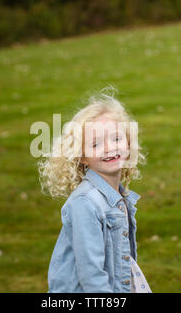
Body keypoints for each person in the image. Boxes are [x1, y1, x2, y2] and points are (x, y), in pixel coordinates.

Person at [38, 86, 152, 293]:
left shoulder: (117, 195)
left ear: (128, 143)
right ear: (82, 156)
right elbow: (91, 275)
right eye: (96, 143)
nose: (110, 148)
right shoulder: (86, 203)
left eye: (117, 139)